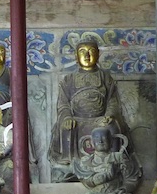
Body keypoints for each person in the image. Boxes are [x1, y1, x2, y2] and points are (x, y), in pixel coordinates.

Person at [48, 39, 130, 168]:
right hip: (77, 119)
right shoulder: (68, 80)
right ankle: (69, 161)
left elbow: (112, 101)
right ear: (76, 57)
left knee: (112, 126)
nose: (87, 56)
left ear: (98, 55)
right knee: (66, 126)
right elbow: (63, 105)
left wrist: (109, 115)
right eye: (82, 52)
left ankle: (113, 159)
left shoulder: (105, 78)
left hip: (100, 119)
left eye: (91, 51)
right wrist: (67, 117)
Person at [54, 126, 144, 194]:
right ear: (91, 143)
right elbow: (87, 181)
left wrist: (123, 189)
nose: (100, 141)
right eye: (97, 138)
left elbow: (131, 178)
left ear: (111, 141)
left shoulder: (119, 157)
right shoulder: (86, 161)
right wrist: (105, 176)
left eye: (104, 138)